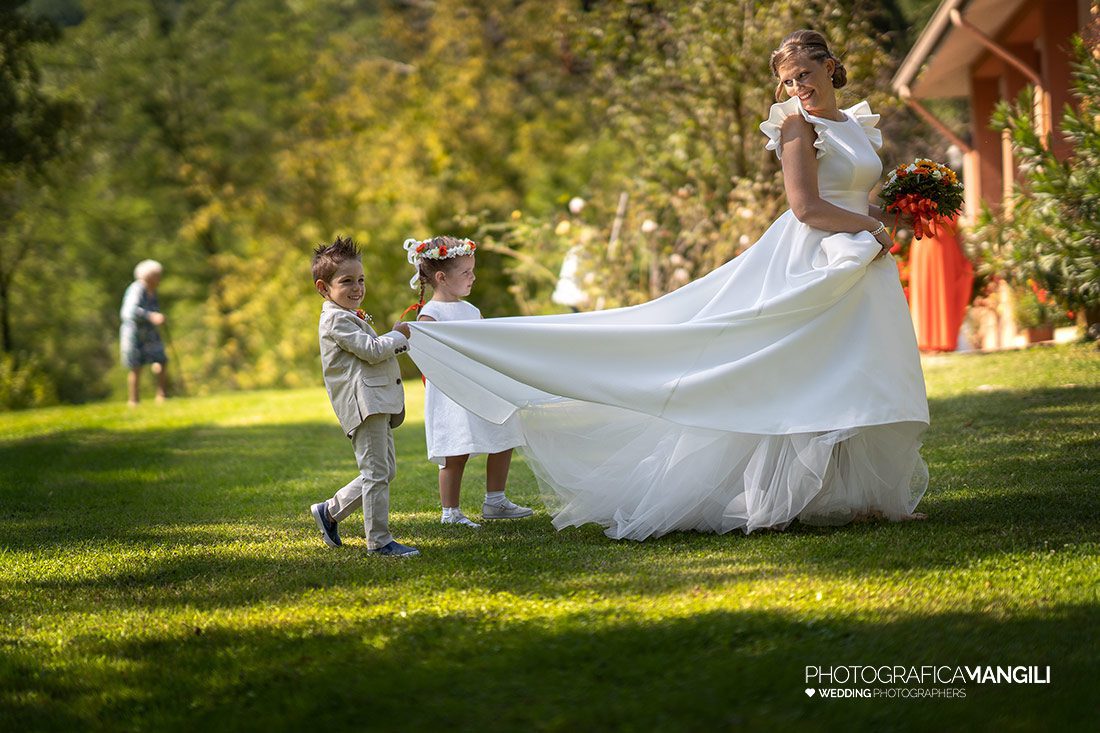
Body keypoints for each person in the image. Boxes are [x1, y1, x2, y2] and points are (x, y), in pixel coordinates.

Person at [406, 30, 929, 541]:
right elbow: (806, 207)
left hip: (861, 258)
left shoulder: (854, 124)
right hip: (815, 259)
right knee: (794, 369)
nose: (798, 88)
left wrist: (901, 212)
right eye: (789, 81)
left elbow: (851, 197)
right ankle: (771, 498)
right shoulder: (795, 126)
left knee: (856, 368)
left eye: (805, 75)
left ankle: (865, 497)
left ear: (830, 67)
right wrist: (873, 229)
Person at [406, 236, 532, 527]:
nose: (472, 277)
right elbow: (427, 353)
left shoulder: (471, 310)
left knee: (503, 434)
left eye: (472, 271)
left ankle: (495, 500)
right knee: (456, 450)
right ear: (442, 278)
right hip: (452, 392)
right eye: (466, 272)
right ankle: (450, 512)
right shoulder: (431, 315)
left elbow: (483, 343)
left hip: (479, 386)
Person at [308, 236, 420, 557]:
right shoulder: (335, 319)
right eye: (347, 281)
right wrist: (398, 336)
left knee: (385, 471)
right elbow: (370, 351)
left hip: (376, 401)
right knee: (376, 473)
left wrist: (395, 336)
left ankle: (330, 511)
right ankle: (379, 541)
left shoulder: (347, 314)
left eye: (361, 280)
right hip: (363, 404)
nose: (357, 288)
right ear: (323, 288)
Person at [120, 259, 169, 406]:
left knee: (161, 360)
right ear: (148, 276)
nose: (159, 279)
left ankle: (161, 396)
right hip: (135, 332)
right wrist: (151, 316)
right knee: (136, 366)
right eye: (157, 275)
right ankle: (134, 400)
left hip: (150, 332)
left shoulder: (152, 291)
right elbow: (130, 312)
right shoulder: (137, 289)